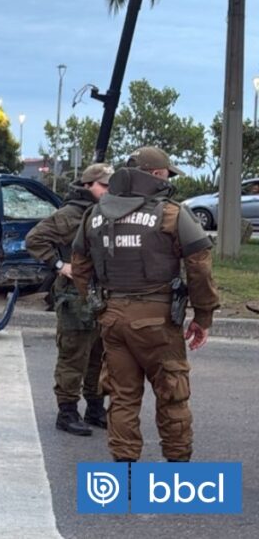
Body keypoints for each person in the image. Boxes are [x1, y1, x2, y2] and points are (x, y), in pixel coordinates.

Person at [71, 146, 220, 463]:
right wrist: (203, 316)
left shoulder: (94, 215)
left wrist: (98, 305)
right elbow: (200, 267)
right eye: (167, 172)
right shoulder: (171, 214)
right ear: (156, 175)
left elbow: (80, 266)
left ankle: (124, 470)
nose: (170, 177)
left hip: (112, 318)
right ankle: (178, 469)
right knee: (172, 395)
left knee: (122, 397)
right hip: (158, 320)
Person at [27, 164, 112, 436]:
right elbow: (35, 239)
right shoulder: (70, 214)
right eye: (104, 186)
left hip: (101, 293)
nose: (109, 191)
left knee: (100, 355)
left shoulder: (106, 211)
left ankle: (95, 408)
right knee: (74, 355)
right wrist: (59, 265)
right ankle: (67, 411)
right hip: (74, 296)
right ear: (88, 186)